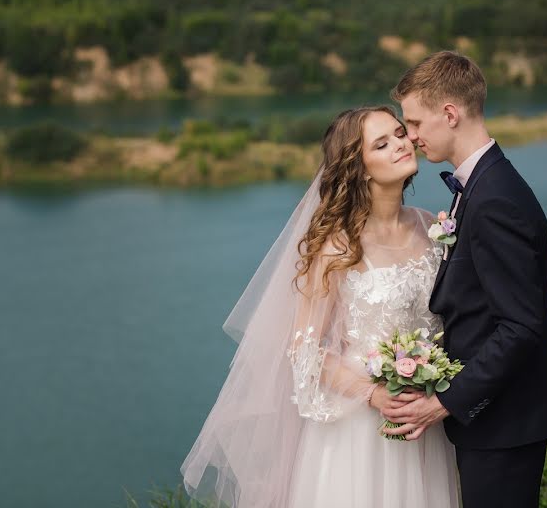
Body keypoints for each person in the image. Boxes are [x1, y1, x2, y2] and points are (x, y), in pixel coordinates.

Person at [181, 105, 459, 508]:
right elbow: (305, 349)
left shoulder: (432, 229)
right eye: (382, 144)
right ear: (359, 167)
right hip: (360, 429)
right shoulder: (336, 248)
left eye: (400, 134)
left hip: (424, 416)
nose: (401, 144)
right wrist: (374, 394)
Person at [384, 51, 547, 508]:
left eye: (416, 123)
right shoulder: (479, 186)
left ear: (450, 113)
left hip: (504, 423)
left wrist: (445, 401)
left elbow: (521, 328)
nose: (413, 137)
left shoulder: (495, 199)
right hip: (492, 421)